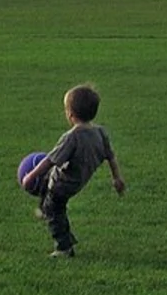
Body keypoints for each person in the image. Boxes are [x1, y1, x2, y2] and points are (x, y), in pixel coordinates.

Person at [21, 84, 126, 258]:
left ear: (70, 114)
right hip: (78, 181)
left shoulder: (71, 137)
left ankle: (64, 247)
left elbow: (50, 160)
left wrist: (30, 176)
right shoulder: (100, 133)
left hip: (63, 183)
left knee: (55, 210)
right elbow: (111, 157)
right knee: (48, 191)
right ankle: (45, 209)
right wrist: (117, 178)